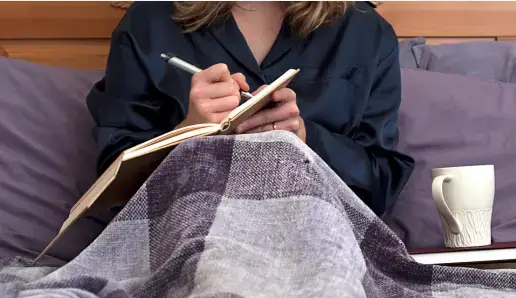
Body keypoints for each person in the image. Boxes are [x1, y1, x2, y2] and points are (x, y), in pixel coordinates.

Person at [87, 1, 414, 216]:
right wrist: (187, 134)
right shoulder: (150, 22)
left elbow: (380, 186)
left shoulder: (365, 31)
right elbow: (111, 188)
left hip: (320, 238)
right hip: (191, 237)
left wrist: (306, 138)